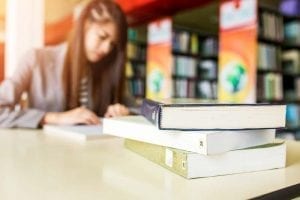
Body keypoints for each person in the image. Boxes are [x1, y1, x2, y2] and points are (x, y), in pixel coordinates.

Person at [0, 0, 132, 128]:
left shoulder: (106, 69)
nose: (106, 49)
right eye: (102, 37)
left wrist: (123, 112)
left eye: (113, 45)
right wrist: (54, 118)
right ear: (84, 26)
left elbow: (136, 108)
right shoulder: (36, 59)